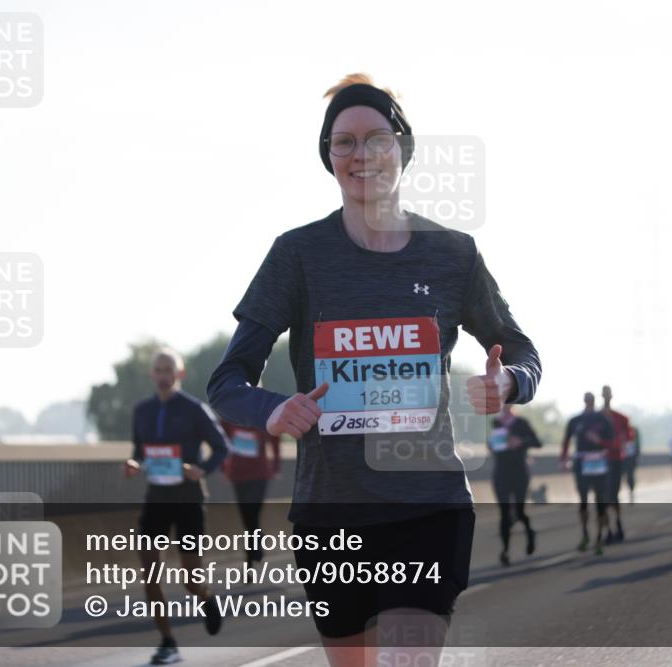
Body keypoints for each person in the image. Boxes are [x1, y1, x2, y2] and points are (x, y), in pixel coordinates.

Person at [206, 74, 541, 667]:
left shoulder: (452, 253)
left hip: (428, 507)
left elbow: (522, 353)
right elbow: (226, 382)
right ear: (328, 156)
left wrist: (507, 382)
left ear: (402, 147)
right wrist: (274, 408)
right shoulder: (297, 255)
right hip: (331, 513)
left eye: (376, 139)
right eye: (344, 143)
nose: (361, 156)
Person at [124, 348, 228, 665]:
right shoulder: (142, 411)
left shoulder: (195, 410)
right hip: (157, 497)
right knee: (150, 573)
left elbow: (222, 447)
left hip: (188, 499)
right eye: (158, 369)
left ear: (179, 374)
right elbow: (139, 452)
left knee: (191, 579)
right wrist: (132, 464)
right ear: (152, 374)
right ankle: (167, 641)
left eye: (169, 369)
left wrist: (202, 469)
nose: (164, 375)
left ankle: (206, 599)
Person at [220, 419, 281, 563]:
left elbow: (275, 439)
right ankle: (254, 546)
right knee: (247, 516)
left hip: (259, 474)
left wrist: (276, 466)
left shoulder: (261, 415)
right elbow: (221, 441)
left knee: (252, 513)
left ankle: (252, 552)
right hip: (237, 474)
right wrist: (223, 469)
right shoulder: (228, 417)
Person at [488, 404, 542, 566]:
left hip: (519, 471)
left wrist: (521, 442)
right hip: (501, 471)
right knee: (504, 512)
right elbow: (493, 443)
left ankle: (529, 532)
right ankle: (505, 551)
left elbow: (538, 442)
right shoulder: (495, 423)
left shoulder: (522, 423)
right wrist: (491, 445)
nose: (505, 406)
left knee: (519, 510)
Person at [561, 392, 615, 555]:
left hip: (599, 463)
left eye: (591, 401)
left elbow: (613, 443)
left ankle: (599, 538)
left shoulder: (603, 420)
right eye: (586, 401)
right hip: (582, 462)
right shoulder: (575, 420)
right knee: (583, 500)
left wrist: (599, 441)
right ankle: (585, 534)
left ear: (594, 402)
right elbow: (566, 440)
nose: (588, 403)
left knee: (600, 500)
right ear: (584, 401)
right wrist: (563, 459)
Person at [599, 385, 630, 542]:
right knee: (602, 497)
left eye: (608, 394)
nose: (606, 397)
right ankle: (608, 530)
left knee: (613, 495)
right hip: (600, 462)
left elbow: (629, 436)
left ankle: (617, 524)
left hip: (615, 460)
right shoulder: (596, 417)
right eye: (604, 394)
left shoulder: (621, 418)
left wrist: (620, 444)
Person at [623, 425, 641, 504]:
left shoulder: (634, 430)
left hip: (631, 458)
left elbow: (638, 445)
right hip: (622, 459)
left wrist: (636, 456)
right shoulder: (619, 431)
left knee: (630, 477)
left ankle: (631, 493)